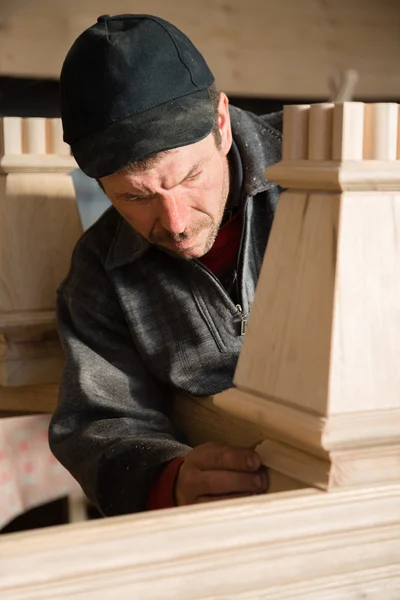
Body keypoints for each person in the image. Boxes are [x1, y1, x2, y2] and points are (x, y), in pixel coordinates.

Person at [49, 13, 283, 516]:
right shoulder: (99, 273)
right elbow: (99, 421)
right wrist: (167, 480)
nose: (174, 223)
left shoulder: (333, 174)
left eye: (189, 177)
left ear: (220, 124)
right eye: (134, 197)